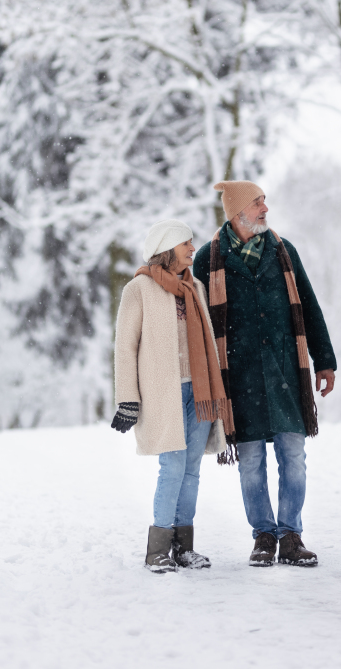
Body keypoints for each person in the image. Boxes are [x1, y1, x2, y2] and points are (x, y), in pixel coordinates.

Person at [194, 181, 336, 568]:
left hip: (285, 373)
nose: (265, 209)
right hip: (239, 380)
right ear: (237, 212)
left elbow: (308, 304)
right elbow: (199, 325)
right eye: (258, 203)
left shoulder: (282, 250)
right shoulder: (207, 260)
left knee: (294, 454)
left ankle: (291, 535)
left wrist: (325, 360)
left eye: (264, 202)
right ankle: (263, 536)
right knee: (252, 459)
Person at [111, 218, 234, 574]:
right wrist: (128, 399)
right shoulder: (140, 289)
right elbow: (125, 348)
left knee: (192, 469)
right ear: (167, 248)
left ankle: (183, 548)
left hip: (200, 392)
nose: (193, 249)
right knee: (173, 467)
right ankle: (159, 549)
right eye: (186, 244)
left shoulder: (194, 285)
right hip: (164, 393)